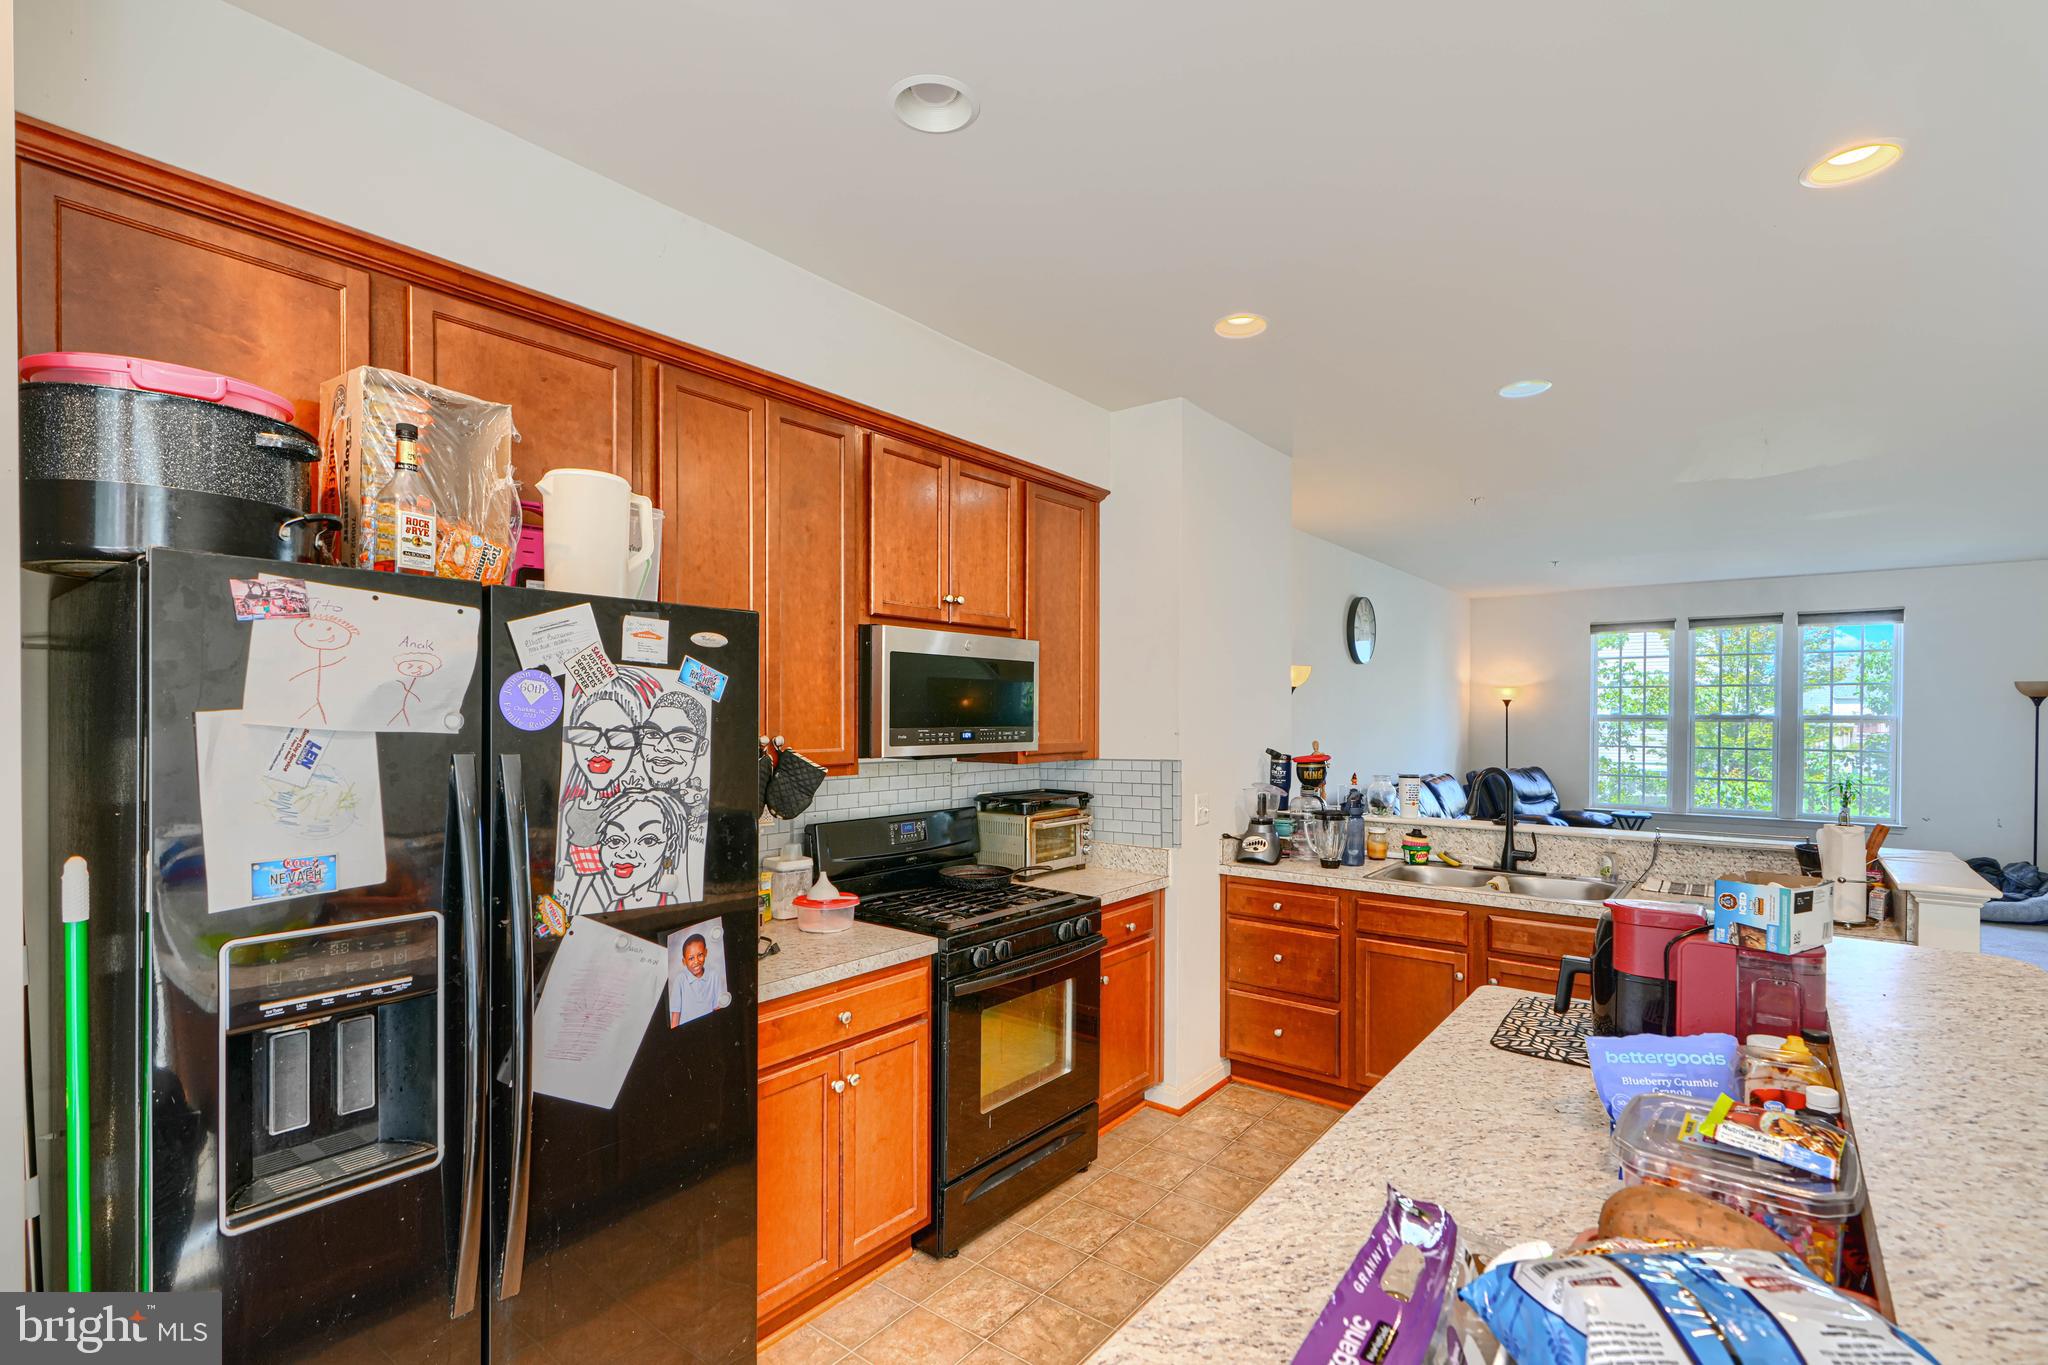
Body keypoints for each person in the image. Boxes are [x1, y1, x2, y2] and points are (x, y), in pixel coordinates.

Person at [558, 671, 660, 916]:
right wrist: (562, 861)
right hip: (578, 860)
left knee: (605, 898)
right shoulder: (572, 802)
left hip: (605, 865)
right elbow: (564, 832)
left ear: (636, 747)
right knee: (587, 897)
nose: (600, 747)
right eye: (586, 732)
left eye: (618, 735)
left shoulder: (626, 806)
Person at [593, 785, 693, 911]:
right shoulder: (613, 907)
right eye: (615, 840)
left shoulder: (671, 901)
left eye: (648, 840)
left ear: (670, 845)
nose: (625, 852)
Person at [669, 928, 724, 1027]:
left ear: (706, 952)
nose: (696, 961)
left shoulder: (714, 976)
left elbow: (718, 1008)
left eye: (700, 955)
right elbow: (675, 1017)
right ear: (684, 961)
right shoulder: (680, 980)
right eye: (691, 958)